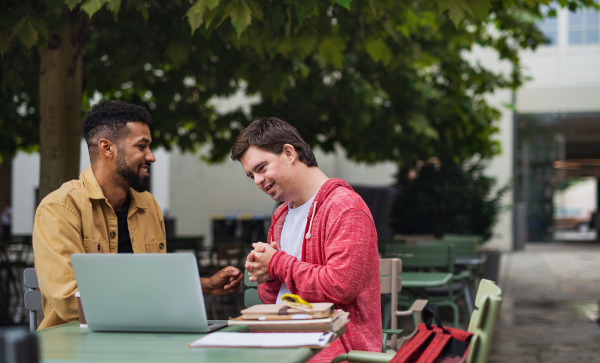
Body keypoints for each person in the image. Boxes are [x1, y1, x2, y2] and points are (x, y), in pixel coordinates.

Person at [32, 101, 243, 330]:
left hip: (143, 335)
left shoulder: (148, 205)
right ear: (107, 148)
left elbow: (155, 280)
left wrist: (205, 285)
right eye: (141, 147)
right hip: (74, 345)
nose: (151, 156)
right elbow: (69, 301)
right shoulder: (58, 208)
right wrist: (151, 301)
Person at [232, 117, 381, 362]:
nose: (257, 181)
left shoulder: (345, 207)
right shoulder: (281, 214)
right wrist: (266, 275)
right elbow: (273, 297)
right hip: (282, 344)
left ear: (289, 153)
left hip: (334, 352)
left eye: (261, 168)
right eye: (251, 176)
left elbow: (340, 288)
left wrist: (276, 264)